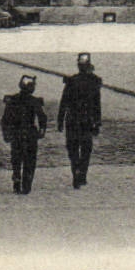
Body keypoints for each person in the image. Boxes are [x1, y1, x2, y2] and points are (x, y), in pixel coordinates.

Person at [58, 54, 104, 189]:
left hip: (72, 120)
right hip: (87, 120)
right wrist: (97, 122)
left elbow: (64, 102)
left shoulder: (72, 81)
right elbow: (97, 104)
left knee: (72, 148)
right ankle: (81, 173)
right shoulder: (94, 81)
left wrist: (60, 120)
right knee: (86, 149)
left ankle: (76, 171)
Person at [1, 74, 48, 195]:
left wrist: (6, 133)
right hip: (30, 134)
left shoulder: (13, 100)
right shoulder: (34, 101)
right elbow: (42, 117)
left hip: (16, 134)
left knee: (16, 159)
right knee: (29, 161)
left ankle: (17, 179)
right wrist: (42, 130)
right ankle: (25, 186)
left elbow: (5, 119)